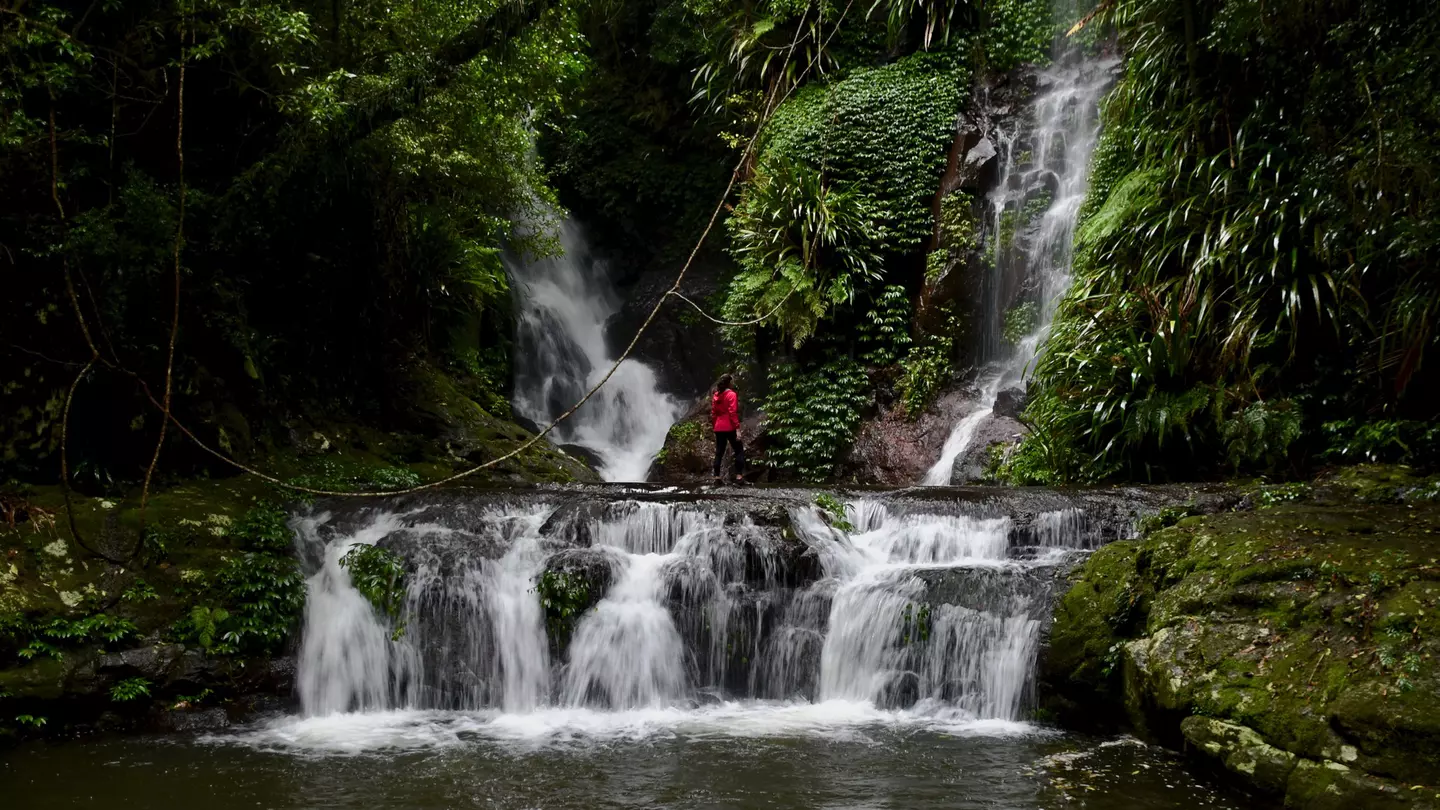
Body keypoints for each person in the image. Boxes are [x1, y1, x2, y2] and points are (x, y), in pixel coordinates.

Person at [711, 374, 746, 484]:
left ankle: (716, 477)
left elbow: (713, 413)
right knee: (739, 450)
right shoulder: (731, 394)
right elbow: (732, 413)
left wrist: (715, 426)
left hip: (719, 426)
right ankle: (739, 477)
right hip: (729, 426)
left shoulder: (716, 395)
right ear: (729, 383)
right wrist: (737, 429)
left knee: (719, 452)